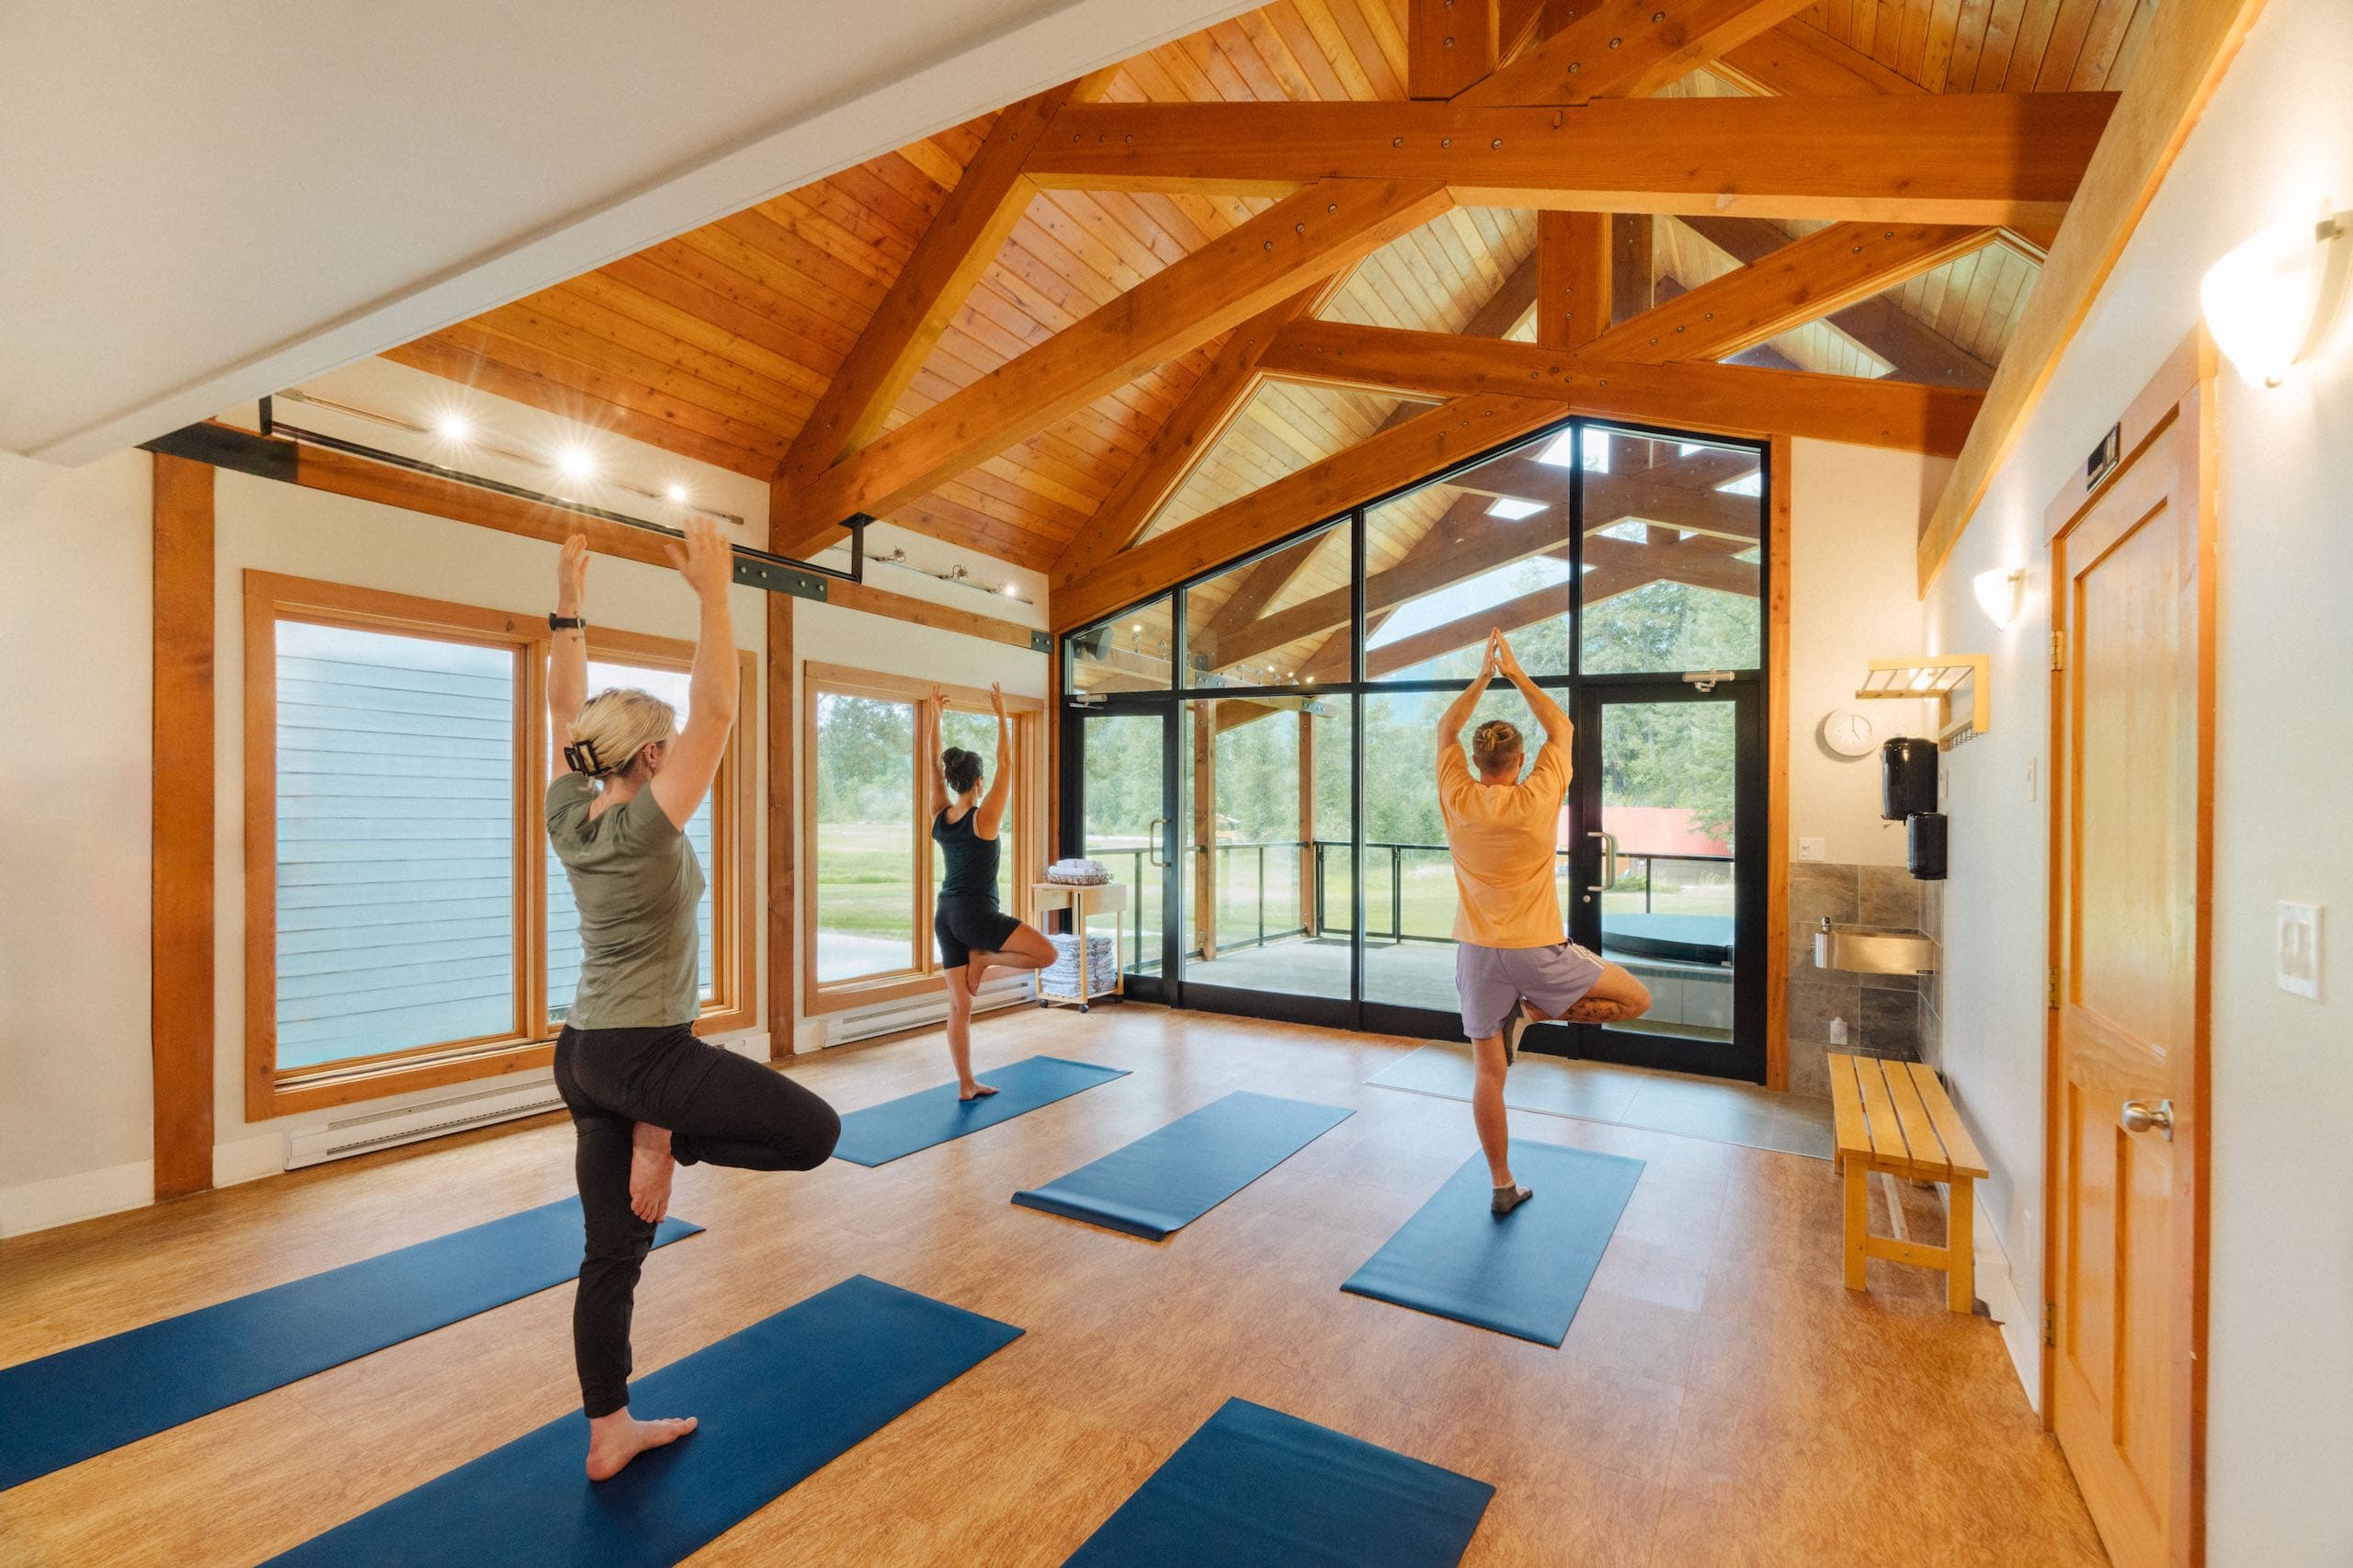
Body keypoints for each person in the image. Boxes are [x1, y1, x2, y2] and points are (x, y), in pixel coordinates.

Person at [545, 523, 841, 1482]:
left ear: (594, 752)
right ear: (657, 754)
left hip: (582, 1050)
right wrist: (715, 594)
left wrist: (567, 605)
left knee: (611, 1255)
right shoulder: (645, 827)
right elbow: (718, 704)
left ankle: (608, 1428)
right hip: (641, 1058)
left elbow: (562, 704)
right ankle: (669, 1133)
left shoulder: (569, 811)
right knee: (814, 1131)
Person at [1437, 631, 1652, 1216]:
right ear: (1520, 761)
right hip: (1536, 947)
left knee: (1487, 1073)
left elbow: (1446, 730)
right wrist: (1517, 673)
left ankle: (1502, 1185)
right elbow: (1562, 729)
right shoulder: (1539, 796)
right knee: (1636, 1000)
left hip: (1477, 951)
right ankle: (1533, 1012)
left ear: (1476, 763)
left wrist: (1482, 677)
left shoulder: (1457, 795)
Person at [925, 681, 1056, 1099]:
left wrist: (936, 717)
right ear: (978, 782)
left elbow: (931, 762)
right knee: (1048, 954)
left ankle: (966, 1085)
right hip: (976, 914)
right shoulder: (985, 818)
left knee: (960, 1007)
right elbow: (1008, 761)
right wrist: (1001, 711)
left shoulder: (941, 815)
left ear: (952, 779)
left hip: (944, 915)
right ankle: (985, 958)